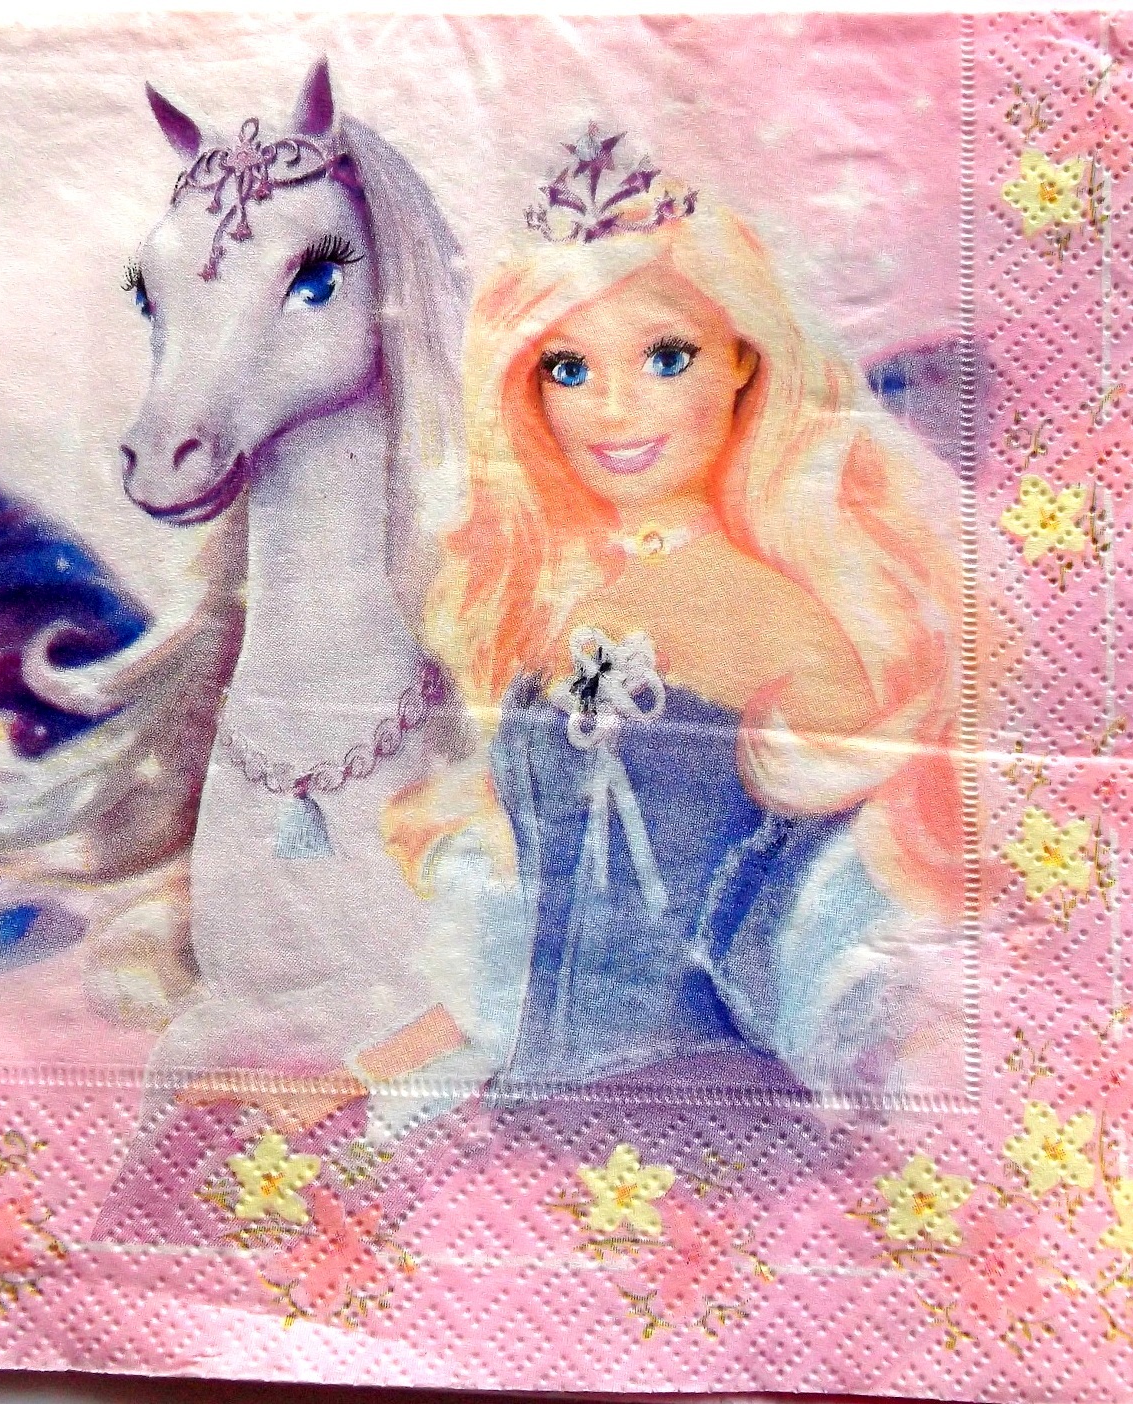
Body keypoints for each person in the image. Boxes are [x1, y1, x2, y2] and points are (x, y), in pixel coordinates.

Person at [385, 127, 966, 1099]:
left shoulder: (770, 613)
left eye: (664, 356)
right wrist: (362, 1073)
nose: (613, 411)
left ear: (742, 357)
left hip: (700, 1110)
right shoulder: (572, 600)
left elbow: (824, 941)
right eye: (568, 369)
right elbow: (527, 961)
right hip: (542, 1102)